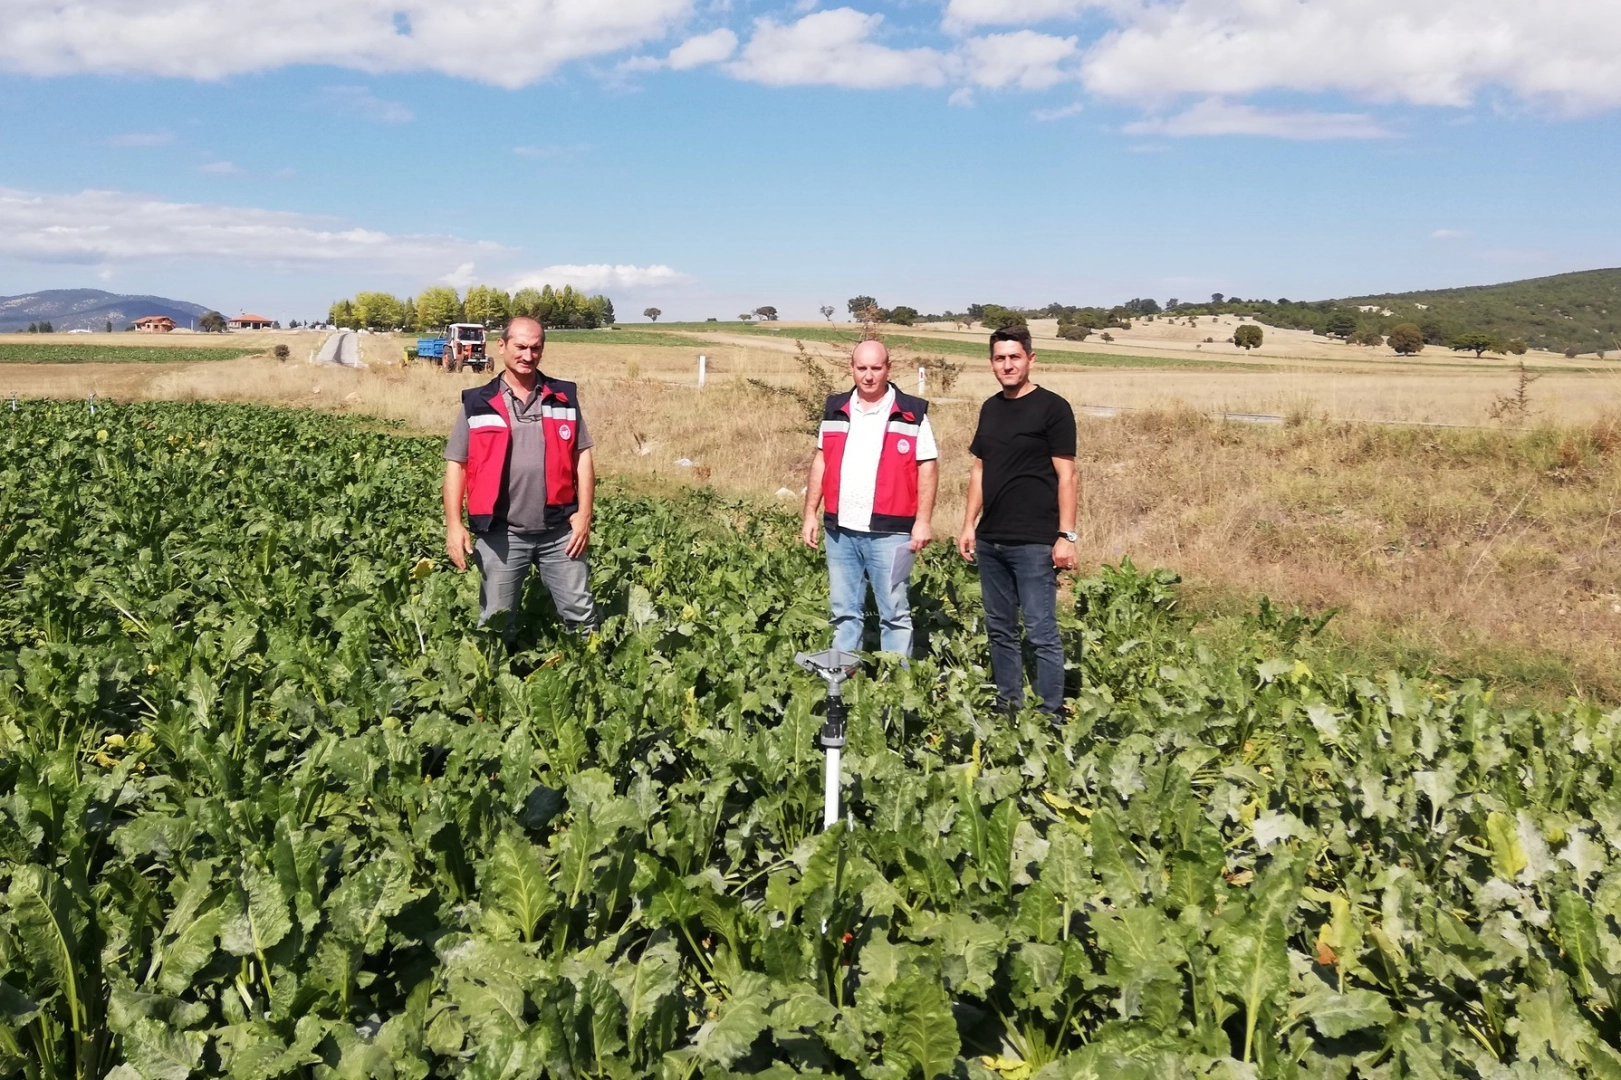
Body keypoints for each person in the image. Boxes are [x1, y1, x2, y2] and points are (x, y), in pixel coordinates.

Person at [442, 316, 597, 639]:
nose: (528, 355)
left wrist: (584, 514)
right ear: (501, 347)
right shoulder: (478, 402)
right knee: (496, 623)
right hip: (501, 534)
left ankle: (591, 679)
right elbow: (456, 464)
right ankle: (493, 685)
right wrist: (454, 525)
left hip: (559, 532)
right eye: (521, 347)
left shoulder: (564, 397)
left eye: (536, 348)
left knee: (581, 617)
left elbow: (582, 456)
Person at [957, 325, 1078, 716]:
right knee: (1000, 629)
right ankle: (1008, 706)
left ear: (1030, 359)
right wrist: (968, 524)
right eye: (999, 358)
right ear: (991, 362)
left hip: (1034, 540)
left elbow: (1067, 475)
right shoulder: (990, 408)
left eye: (1014, 357)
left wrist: (1066, 535)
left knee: (1042, 631)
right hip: (991, 538)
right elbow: (979, 470)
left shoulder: (1053, 408)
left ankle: (1051, 714)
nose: (1007, 365)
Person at [801, 339, 938, 658]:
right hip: (840, 533)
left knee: (894, 615)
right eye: (861, 368)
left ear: (888, 369)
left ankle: (894, 695)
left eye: (876, 368)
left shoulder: (911, 412)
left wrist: (923, 521)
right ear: (851, 369)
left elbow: (927, 467)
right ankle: (843, 691)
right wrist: (811, 512)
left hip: (891, 535)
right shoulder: (835, 408)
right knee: (844, 614)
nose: (868, 376)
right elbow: (821, 460)